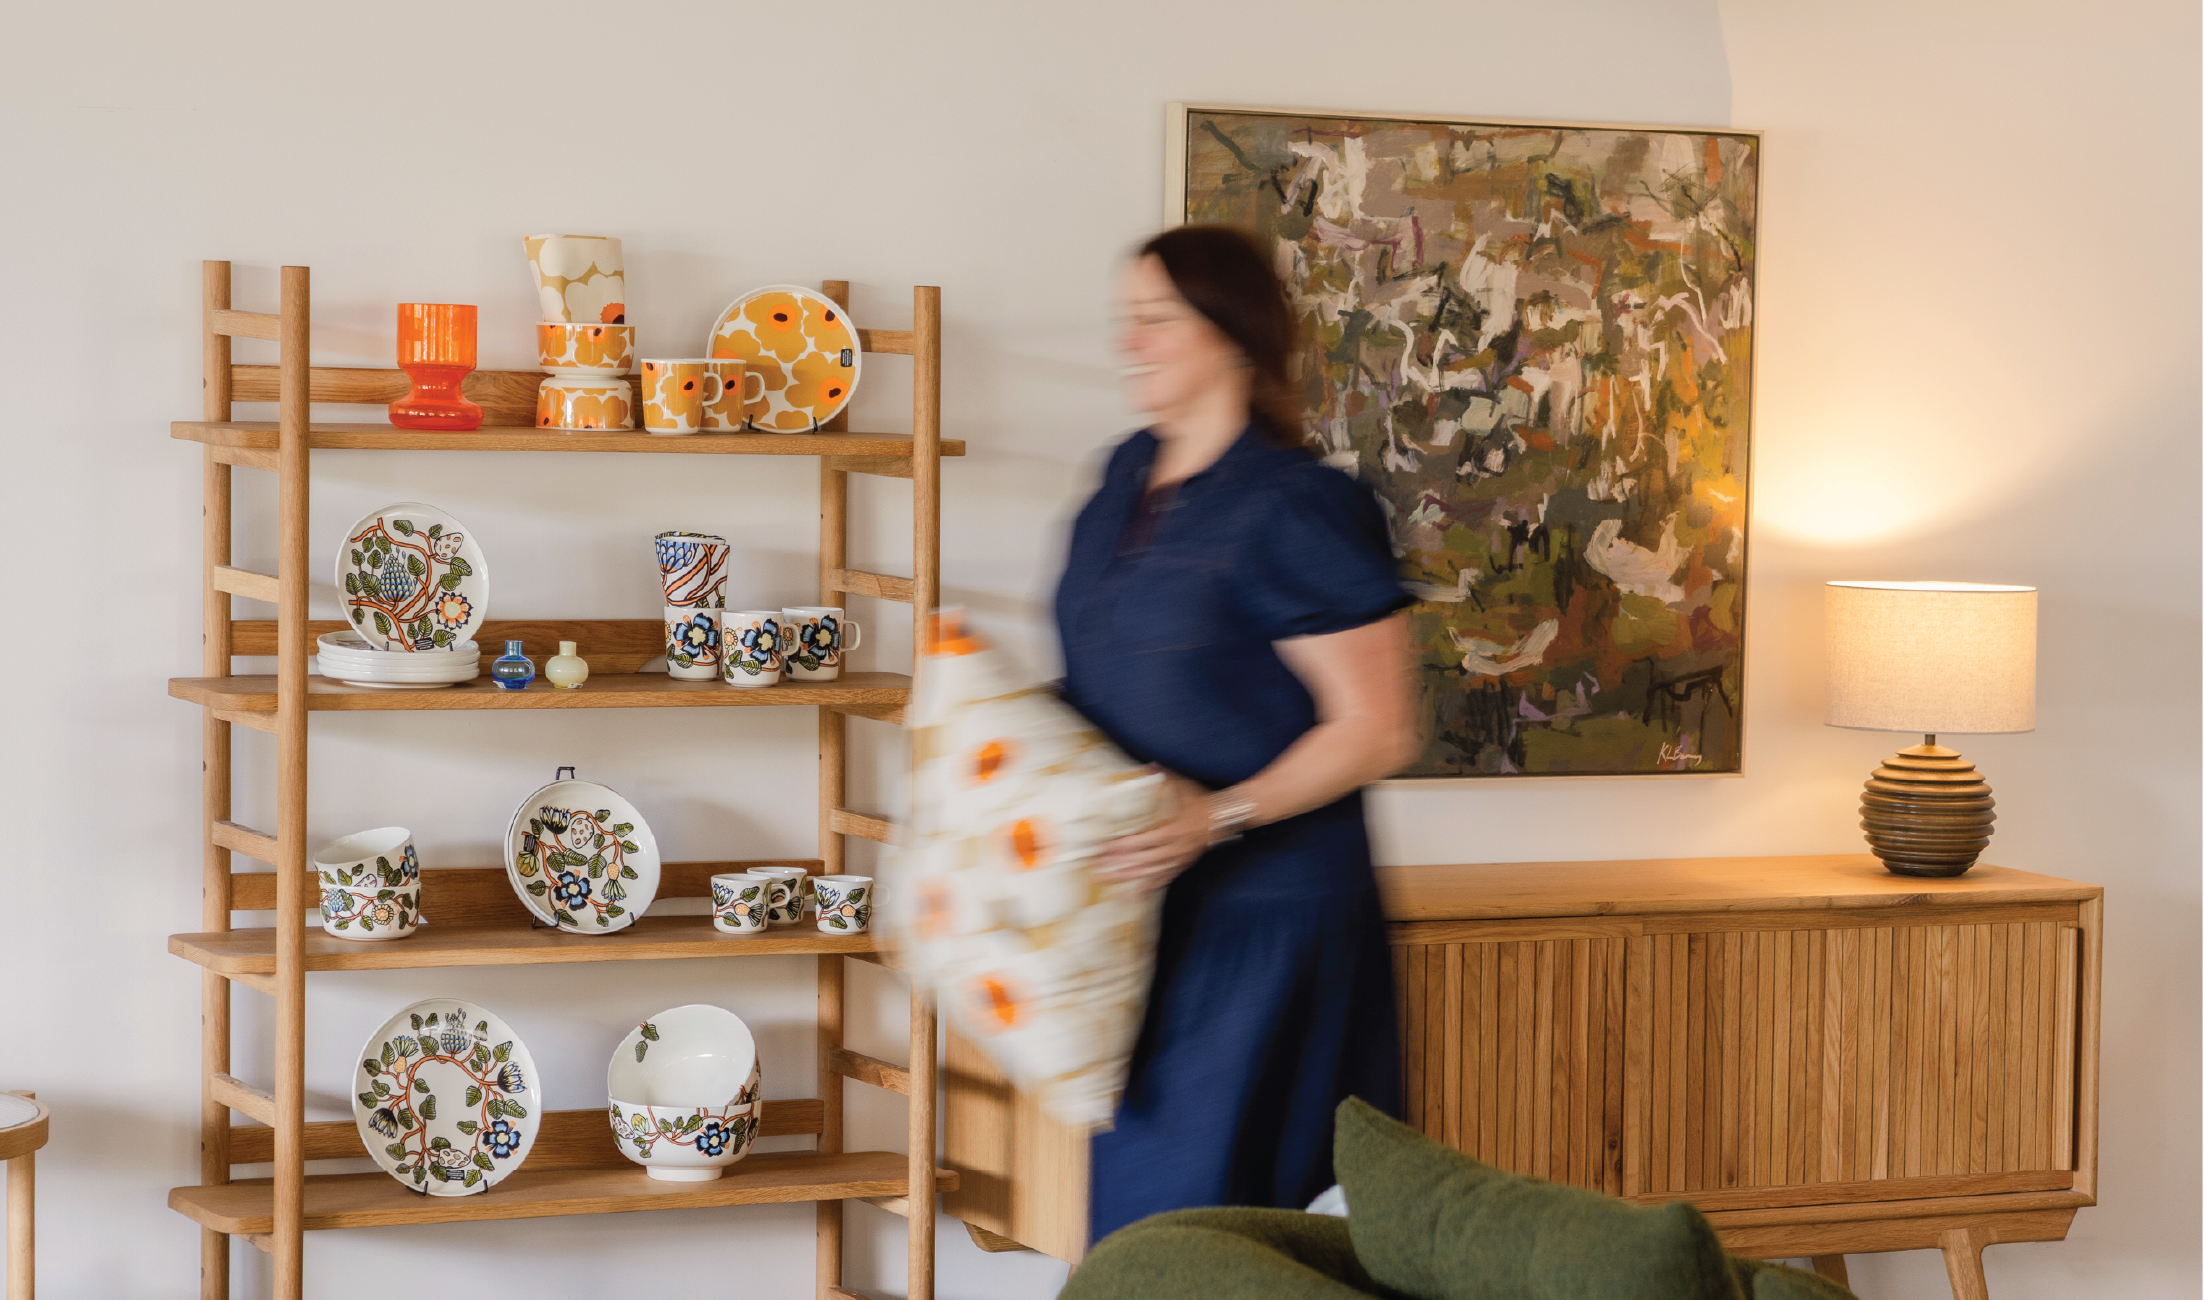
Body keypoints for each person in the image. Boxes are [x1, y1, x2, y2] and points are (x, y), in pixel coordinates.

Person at [1055, 225, 1421, 1243]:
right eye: (1126, 319)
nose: (1129, 341)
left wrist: (1213, 817)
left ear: (1230, 334)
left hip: (1273, 932)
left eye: (1156, 319)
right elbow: (1105, 683)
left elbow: (1378, 729)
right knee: (1146, 1232)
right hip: (1144, 920)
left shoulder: (1297, 507)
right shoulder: (1120, 479)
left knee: (1242, 1232)